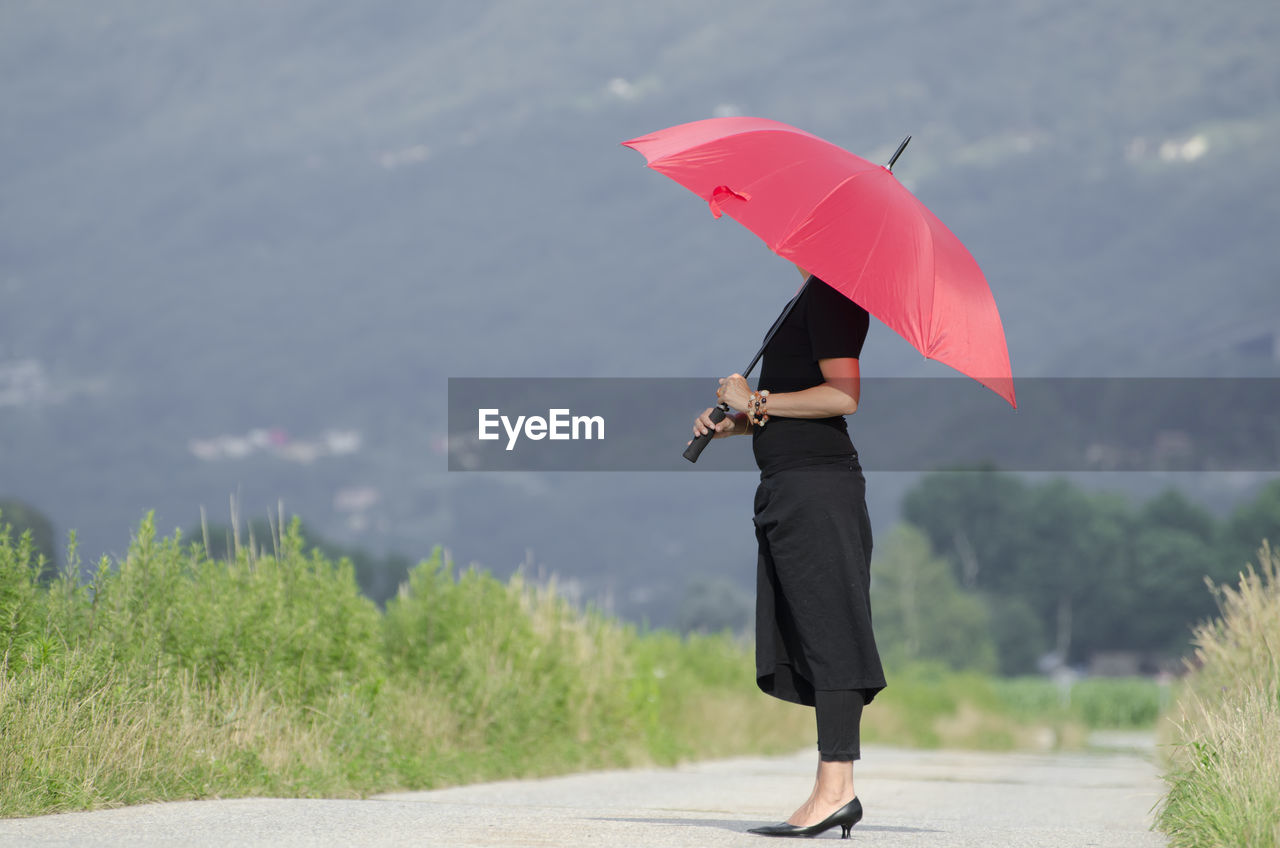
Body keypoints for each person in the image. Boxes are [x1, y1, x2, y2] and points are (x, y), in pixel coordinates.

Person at [690, 264, 885, 839]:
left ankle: (836, 791)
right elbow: (797, 408)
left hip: (817, 489)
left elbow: (842, 398)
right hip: (790, 485)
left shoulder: (833, 296)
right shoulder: (807, 297)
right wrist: (741, 421)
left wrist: (758, 397)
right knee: (814, 633)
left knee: (833, 634)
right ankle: (832, 790)